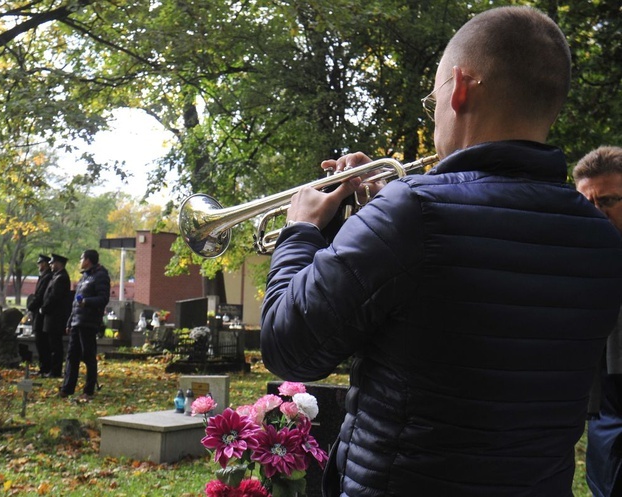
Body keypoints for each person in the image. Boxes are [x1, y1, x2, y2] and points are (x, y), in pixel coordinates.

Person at [260, 7, 622, 497]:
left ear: (461, 88)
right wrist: (377, 217)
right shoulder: (602, 238)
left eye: (433, 102)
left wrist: (302, 231)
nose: (433, 121)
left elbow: (289, 348)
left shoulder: (411, 213)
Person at [573, 146, 622, 497]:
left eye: (607, 201)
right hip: (604, 411)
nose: (595, 213)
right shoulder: (577, 255)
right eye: (585, 204)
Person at [60, 249, 110, 402]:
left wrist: (87, 302)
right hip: (77, 322)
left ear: (88, 260)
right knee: (72, 356)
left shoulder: (101, 276)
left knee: (88, 356)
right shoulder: (84, 277)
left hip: (88, 322)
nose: (80, 261)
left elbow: (103, 298)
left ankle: (88, 390)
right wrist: (70, 321)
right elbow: (75, 302)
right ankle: (67, 388)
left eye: (81, 258)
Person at [40, 253, 72, 378]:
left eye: (52, 263)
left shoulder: (61, 278)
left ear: (59, 264)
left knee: (55, 345)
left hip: (55, 317)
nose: (50, 265)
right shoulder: (56, 276)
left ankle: (55, 371)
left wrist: (44, 308)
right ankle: (53, 370)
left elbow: (54, 297)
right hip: (52, 317)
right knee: (53, 344)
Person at [26, 254, 53, 376]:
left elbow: (40, 295)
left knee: (42, 341)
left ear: (46, 264)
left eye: (41, 263)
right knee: (40, 341)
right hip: (39, 311)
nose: (39, 265)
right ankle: (44, 367)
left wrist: (30, 306)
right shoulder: (44, 276)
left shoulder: (47, 277)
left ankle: (45, 367)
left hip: (41, 312)